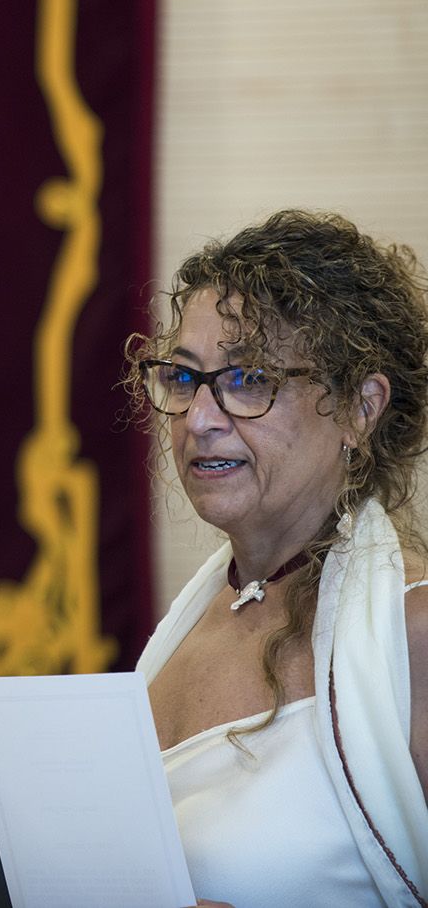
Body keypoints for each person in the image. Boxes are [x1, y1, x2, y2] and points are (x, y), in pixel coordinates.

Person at [128, 210, 428, 907]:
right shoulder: (188, 628)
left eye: (250, 378)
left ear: (360, 407)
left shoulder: (412, 629)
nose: (199, 418)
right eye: (184, 378)